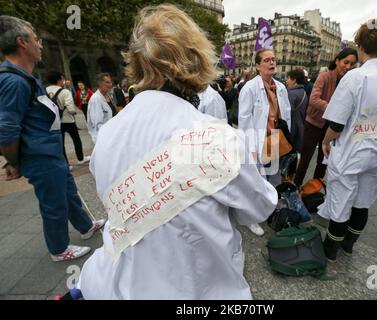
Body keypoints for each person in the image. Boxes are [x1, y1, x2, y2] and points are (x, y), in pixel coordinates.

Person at [76, 4, 277, 299]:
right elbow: (258, 207)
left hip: (115, 284)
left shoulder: (107, 134)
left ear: (137, 62)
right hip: (197, 290)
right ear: (196, 60)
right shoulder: (215, 137)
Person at [0, 16, 105, 262]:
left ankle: (86, 226)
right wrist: (13, 162)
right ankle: (59, 248)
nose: (41, 44)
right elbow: (5, 130)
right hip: (40, 157)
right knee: (54, 203)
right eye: (36, 39)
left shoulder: (24, 77)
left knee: (67, 193)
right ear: (21, 42)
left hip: (51, 153)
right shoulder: (13, 81)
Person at [318, 18, 377, 262]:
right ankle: (349, 245)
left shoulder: (355, 77)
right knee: (363, 200)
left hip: (352, 150)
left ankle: (331, 251)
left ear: (358, 44)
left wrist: (326, 142)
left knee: (340, 201)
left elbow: (336, 123)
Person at [238, 48, 291, 236]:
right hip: (256, 143)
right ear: (258, 66)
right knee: (254, 182)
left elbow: (286, 116)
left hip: (274, 141)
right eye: (267, 60)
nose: (272, 63)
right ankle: (249, 218)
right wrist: (250, 149)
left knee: (268, 179)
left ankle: (263, 210)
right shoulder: (250, 88)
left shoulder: (281, 88)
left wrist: (287, 139)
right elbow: (245, 121)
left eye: (274, 59)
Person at [293, 48, 357, 189]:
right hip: (313, 124)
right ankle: (295, 188)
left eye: (352, 64)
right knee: (305, 160)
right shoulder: (324, 76)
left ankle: (313, 190)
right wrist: (335, 109)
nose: (348, 67)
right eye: (346, 62)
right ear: (337, 60)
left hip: (332, 127)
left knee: (323, 161)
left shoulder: (350, 81)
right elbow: (313, 99)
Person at [46, 71, 90, 168]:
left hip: (55, 122)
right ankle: (80, 158)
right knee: (76, 139)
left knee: (61, 143)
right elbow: (70, 108)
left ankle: (66, 164)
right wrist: (73, 112)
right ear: (60, 79)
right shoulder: (65, 92)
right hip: (68, 120)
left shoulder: (45, 91)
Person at [87, 73, 114, 143]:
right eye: (107, 82)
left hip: (112, 134)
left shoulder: (109, 95)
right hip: (104, 138)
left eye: (111, 82)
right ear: (99, 83)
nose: (110, 84)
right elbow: (97, 123)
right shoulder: (96, 99)